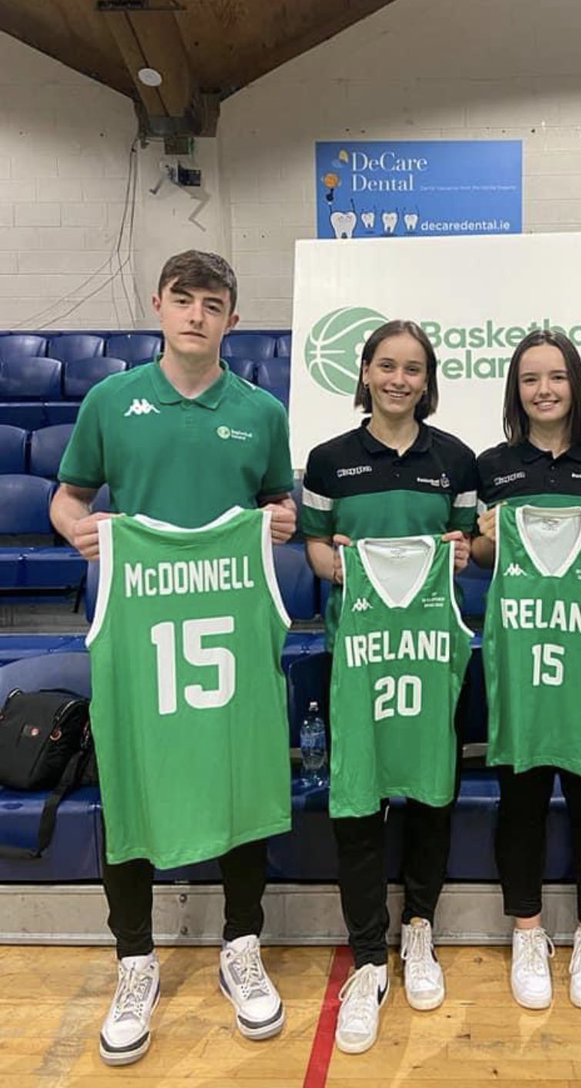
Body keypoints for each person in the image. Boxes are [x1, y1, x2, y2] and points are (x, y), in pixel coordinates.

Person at [50, 250, 297, 1066]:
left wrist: (282, 518)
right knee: (131, 787)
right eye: (183, 299)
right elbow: (70, 496)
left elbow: (275, 498)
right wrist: (72, 527)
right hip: (141, 629)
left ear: (232, 317)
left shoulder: (261, 410)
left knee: (243, 780)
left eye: (213, 303)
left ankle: (241, 946)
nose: (196, 314)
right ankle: (135, 960)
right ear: (158, 305)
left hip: (226, 629)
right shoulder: (110, 401)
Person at [301, 319, 477, 1055]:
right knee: (359, 799)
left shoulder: (456, 459)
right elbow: (312, 546)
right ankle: (368, 955)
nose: (400, 379)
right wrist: (336, 565)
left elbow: (471, 546)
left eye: (413, 369)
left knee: (433, 792)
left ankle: (419, 929)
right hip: (358, 653)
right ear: (365, 373)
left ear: (427, 380)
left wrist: (463, 553)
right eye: (387, 366)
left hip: (431, 654)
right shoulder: (329, 459)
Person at [471, 330, 581, 1012]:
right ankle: (527, 930)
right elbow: (483, 556)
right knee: (521, 799)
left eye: (556, 377)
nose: (544, 389)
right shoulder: (492, 466)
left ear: (575, 386)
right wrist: (479, 539)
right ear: (516, 390)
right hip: (522, 662)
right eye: (531, 378)